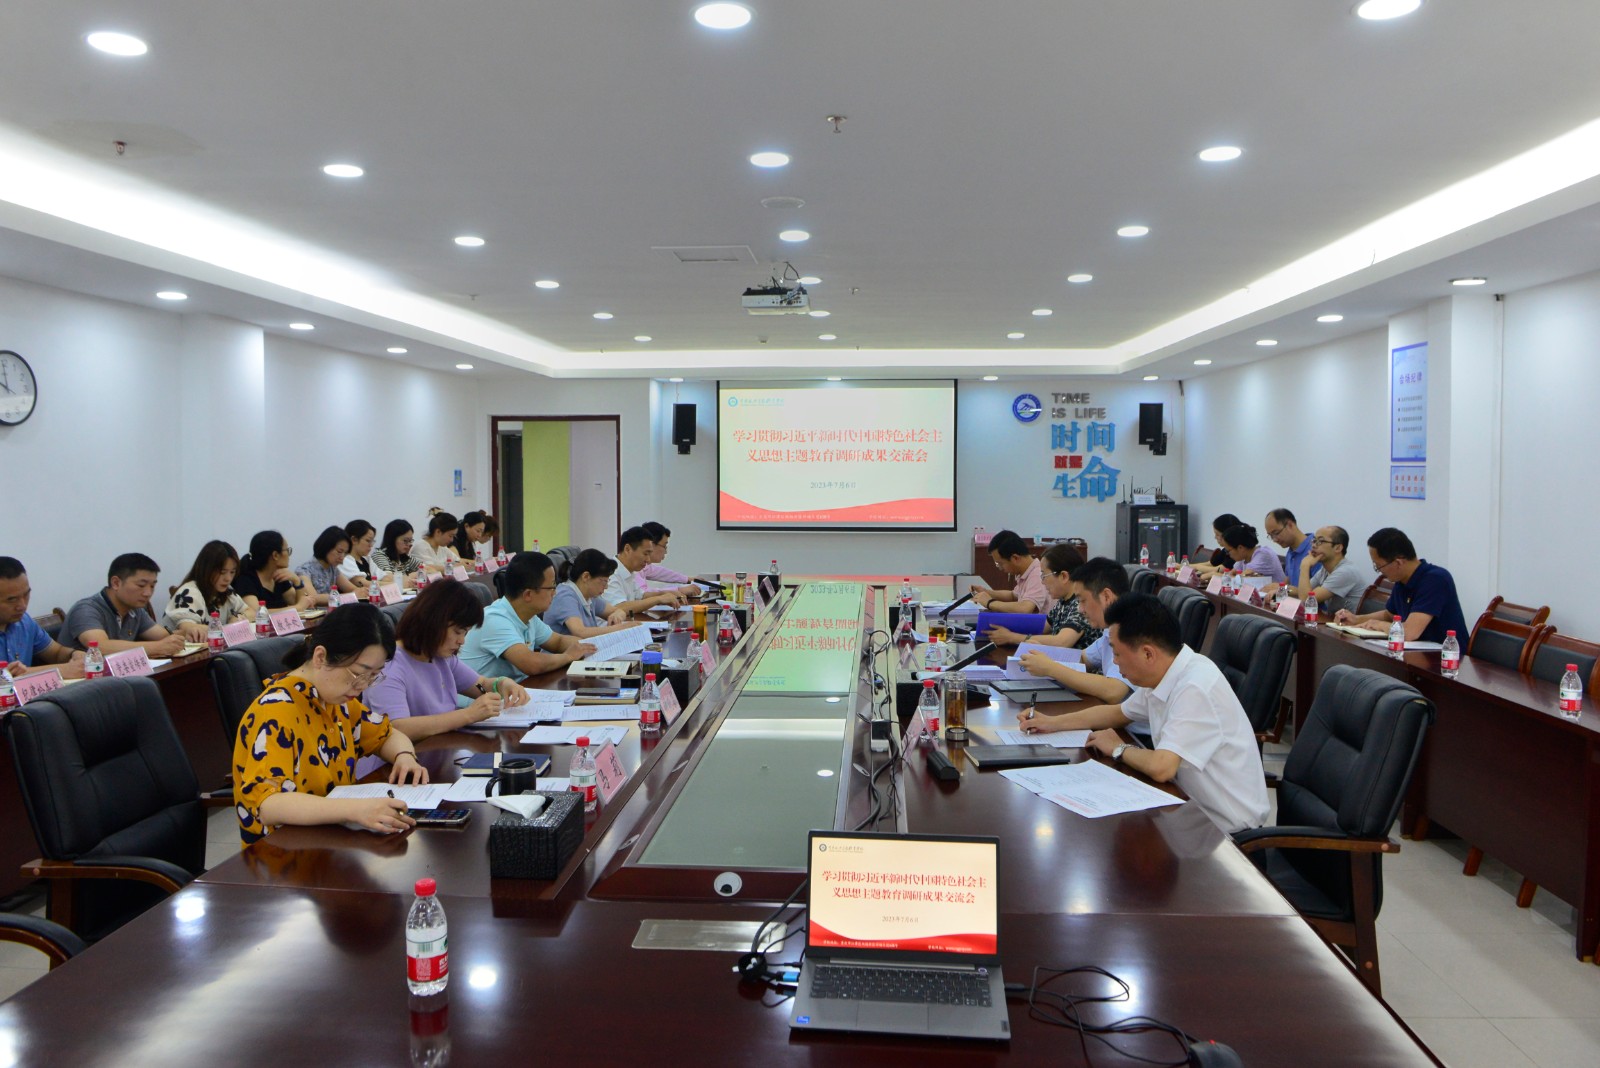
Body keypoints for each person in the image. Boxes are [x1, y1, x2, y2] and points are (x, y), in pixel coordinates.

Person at [1021, 593, 1269, 834]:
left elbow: (1162, 767)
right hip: (1185, 811)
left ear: (1148, 653)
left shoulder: (1195, 687)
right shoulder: (1166, 672)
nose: (1114, 662)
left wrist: (1119, 748)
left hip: (1225, 835)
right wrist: (1051, 723)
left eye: (1117, 653)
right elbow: (1117, 713)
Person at [232, 602, 427, 846]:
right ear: (320, 657)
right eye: (358, 673)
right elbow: (269, 805)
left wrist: (404, 756)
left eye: (373, 676)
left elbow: (387, 735)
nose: (362, 686)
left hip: (332, 841)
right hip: (281, 852)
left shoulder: (336, 700)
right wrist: (354, 810)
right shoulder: (275, 711)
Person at [362, 581, 530, 760]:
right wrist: (467, 715)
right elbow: (396, 728)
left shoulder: (439, 656)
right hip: (395, 765)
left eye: (465, 633)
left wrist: (501, 684)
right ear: (433, 622)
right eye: (457, 632)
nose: (462, 641)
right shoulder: (388, 666)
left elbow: (480, 684)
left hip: (437, 755)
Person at [460, 552, 597, 680]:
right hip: (481, 696)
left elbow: (558, 641)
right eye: (551, 587)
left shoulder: (528, 617)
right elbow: (531, 663)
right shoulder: (495, 620)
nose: (554, 593)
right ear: (528, 594)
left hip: (512, 692)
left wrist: (590, 647)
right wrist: (568, 656)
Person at [1013, 557, 1132, 704]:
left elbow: (1114, 690)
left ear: (1106, 596)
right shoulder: (1110, 629)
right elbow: (1083, 658)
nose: (1080, 609)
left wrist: (1051, 668)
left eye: (1082, 601)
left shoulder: (1132, 629)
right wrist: (1043, 652)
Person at [1334, 527, 1469, 643]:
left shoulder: (1435, 579)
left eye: (1379, 566)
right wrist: (1356, 619)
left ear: (1398, 562)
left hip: (1445, 657)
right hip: (1415, 653)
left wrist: (1379, 625)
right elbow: (1389, 615)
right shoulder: (1401, 581)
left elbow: (1409, 633)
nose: (1379, 571)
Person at [59, 553, 188, 656]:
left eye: (152, 586)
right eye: (141, 585)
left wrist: (188, 631)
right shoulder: (86, 609)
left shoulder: (135, 609)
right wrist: (157, 647)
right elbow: (100, 647)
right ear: (116, 583)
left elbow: (163, 637)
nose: (148, 593)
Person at [983, 543, 1098, 649]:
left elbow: (1062, 641)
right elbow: (1043, 627)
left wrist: (1012, 637)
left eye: (1044, 576)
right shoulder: (1063, 601)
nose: (1042, 582)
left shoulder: (1081, 603)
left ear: (1063, 576)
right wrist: (998, 625)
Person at [0, 557, 85, 678]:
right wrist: (62, 670)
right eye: (12, 600)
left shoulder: (24, 621)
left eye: (26, 595)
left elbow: (56, 653)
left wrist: (74, 654)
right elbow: (6, 677)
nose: (22, 606)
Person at [163, 540, 253, 633]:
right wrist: (227, 629)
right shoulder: (190, 592)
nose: (228, 578)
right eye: (222, 572)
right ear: (207, 569)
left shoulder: (227, 591)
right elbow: (188, 628)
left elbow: (250, 612)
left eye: (232, 572)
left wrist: (238, 617)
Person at [545, 549, 636, 637]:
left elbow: (618, 610)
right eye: (604, 581)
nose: (606, 587)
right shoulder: (565, 596)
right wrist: (620, 628)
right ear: (586, 576)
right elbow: (580, 632)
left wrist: (617, 615)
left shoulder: (589, 595)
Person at [607, 527, 687, 614]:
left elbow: (641, 596)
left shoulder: (630, 571)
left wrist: (664, 593)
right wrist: (658, 599)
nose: (648, 560)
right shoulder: (610, 573)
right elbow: (618, 607)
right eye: (645, 554)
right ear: (627, 549)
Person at [969, 529, 1050, 614]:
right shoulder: (1027, 572)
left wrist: (989, 603)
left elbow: (1025, 609)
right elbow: (1012, 595)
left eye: (1000, 563)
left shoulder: (1037, 575)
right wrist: (985, 592)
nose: (1000, 568)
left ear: (1015, 558)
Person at [1292, 526, 1367, 616]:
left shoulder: (1345, 571)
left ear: (1338, 548)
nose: (1314, 545)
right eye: (1314, 540)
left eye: (1320, 541)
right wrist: (1282, 589)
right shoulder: (1325, 569)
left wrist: (1305, 566)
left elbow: (1306, 599)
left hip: (1348, 623)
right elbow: (1302, 591)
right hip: (1334, 620)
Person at [233, 531, 312, 609]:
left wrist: (297, 581)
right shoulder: (246, 579)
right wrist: (297, 608)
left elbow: (301, 603)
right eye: (287, 550)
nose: (289, 555)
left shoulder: (279, 576)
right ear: (275, 555)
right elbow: (255, 612)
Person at [295, 526, 362, 607]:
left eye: (345, 553)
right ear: (326, 547)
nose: (342, 557)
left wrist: (362, 591)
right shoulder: (304, 570)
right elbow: (313, 598)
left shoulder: (333, 569)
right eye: (339, 552)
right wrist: (350, 596)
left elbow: (354, 590)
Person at [1265, 508, 1318, 590]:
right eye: (1271, 536)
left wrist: (1283, 588)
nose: (1275, 540)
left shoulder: (1316, 549)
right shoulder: (1290, 552)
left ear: (1290, 525)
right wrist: (1277, 588)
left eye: (1276, 533)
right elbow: (1289, 581)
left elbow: (1315, 592)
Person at [1220, 523, 1286, 583]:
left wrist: (1218, 575)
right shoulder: (1244, 557)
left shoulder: (1264, 555)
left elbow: (1239, 580)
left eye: (1228, 551)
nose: (1227, 554)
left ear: (1240, 548)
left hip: (1279, 592)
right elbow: (1231, 574)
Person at [640, 521, 694, 586]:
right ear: (651, 544)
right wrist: (679, 590)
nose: (666, 552)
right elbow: (643, 592)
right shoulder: (635, 568)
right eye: (664, 546)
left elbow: (660, 573)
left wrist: (688, 579)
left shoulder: (643, 566)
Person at [371, 519, 422, 587]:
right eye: (405, 540)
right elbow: (389, 580)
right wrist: (413, 575)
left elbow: (426, 569)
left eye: (410, 541)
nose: (409, 544)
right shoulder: (379, 555)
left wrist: (420, 572)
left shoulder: (404, 557)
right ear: (392, 539)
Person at [338, 519, 379, 589]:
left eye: (372, 541)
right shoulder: (344, 560)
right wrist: (392, 585)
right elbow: (363, 583)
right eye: (368, 541)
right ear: (354, 539)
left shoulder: (367, 559)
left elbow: (385, 577)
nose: (371, 545)